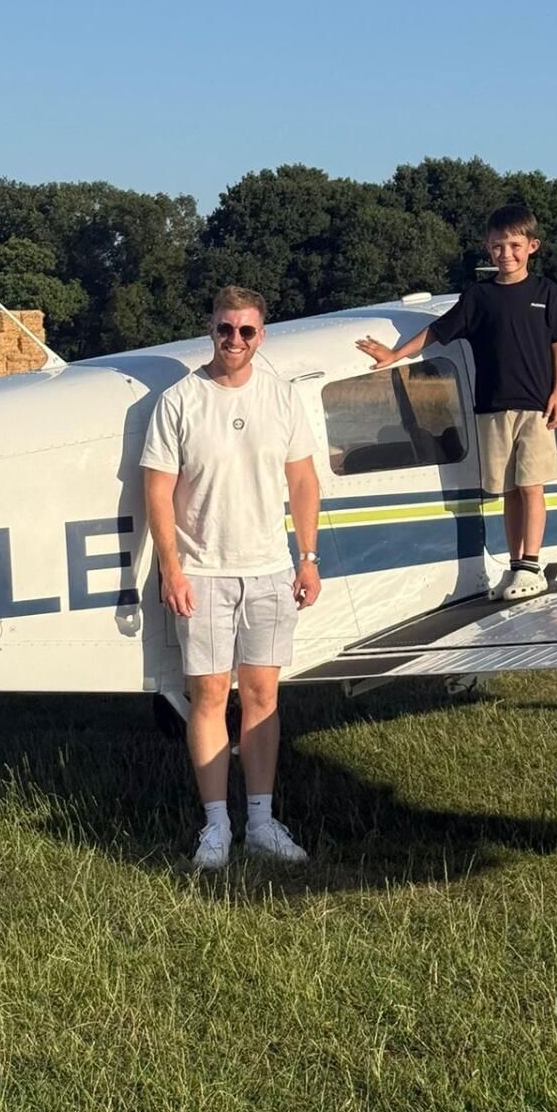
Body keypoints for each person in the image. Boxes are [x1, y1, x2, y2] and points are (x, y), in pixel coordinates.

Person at [142, 286, 323, 872]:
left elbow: (302, 481)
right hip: (203, 573)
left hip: (269, 570)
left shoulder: (281, 398)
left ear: (261, 335)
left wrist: (308, 556)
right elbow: (158, 491)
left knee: (263, 697)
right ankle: (216, 824)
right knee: (209, 698)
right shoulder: (179, 400)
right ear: (211, 330)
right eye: (225, 330)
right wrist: (171, 567)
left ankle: (263, 822)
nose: (235, 341)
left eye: (246, 332)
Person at [356, 204, 557, 600]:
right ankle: (515, 565)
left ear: (532, 246)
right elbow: (438, 331)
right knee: (507, 489)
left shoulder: (547, 293)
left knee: (532, 486)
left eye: (514, 245)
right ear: (486, 249)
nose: (505, 254)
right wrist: (395, 356)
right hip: (491, 406)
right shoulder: (479, 296)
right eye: (496, 246)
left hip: (536, 406)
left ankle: (532, 564)